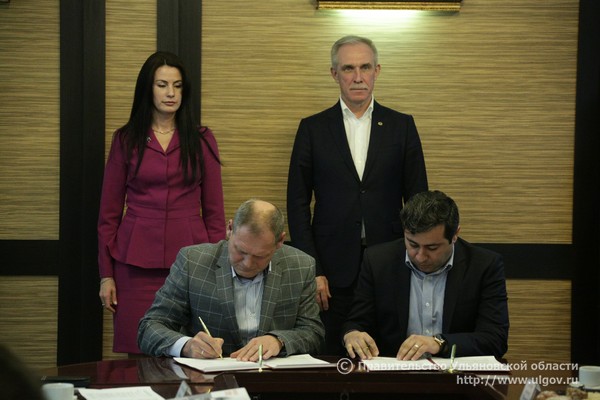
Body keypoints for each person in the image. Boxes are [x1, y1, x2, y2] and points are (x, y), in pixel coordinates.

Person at [286, 35, 428, 355]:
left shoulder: (402, 126)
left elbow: (418, 201)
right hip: (332, 270)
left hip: (391, 262)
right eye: (348, 68)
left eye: (365, 67)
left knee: (388, 355)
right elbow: (297, 204)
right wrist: (313, 270)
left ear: (377, 71)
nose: (358, 76)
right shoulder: (312, 128)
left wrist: (417, 260)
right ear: (334, 74)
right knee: (335, 355)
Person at [98, 51, 226, 355]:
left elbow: (215, 213)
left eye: (177, 86)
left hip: (191, 263)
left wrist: (219, 272)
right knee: (137, 351)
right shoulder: (126, 139)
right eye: (162, 85)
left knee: (192, 352)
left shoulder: (201, 139)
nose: (171, 93)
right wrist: (106, 275)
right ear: (148, 89)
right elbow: (108, 215)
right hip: (134, 264)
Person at [138, 199, 325, 360]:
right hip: (210, 380)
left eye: (260, 256)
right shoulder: (192, 262)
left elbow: (313, 332)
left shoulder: (300, 266)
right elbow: (150, 327)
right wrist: (186, 346)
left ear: (280, 241)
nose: (248, 263)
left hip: (270, 379)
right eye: (240, 251)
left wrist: (279, 341)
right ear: (229, 229)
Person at [342, 190, 509, 360]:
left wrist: (439, 343)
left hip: (455, 372)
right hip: (396, 370)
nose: (420, 256)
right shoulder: (378, 261)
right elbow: (357, 322)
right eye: (413, 244)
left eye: (432, 248)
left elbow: (495, 339)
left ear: (455, 235)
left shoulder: (484, 266)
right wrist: (352, 334)